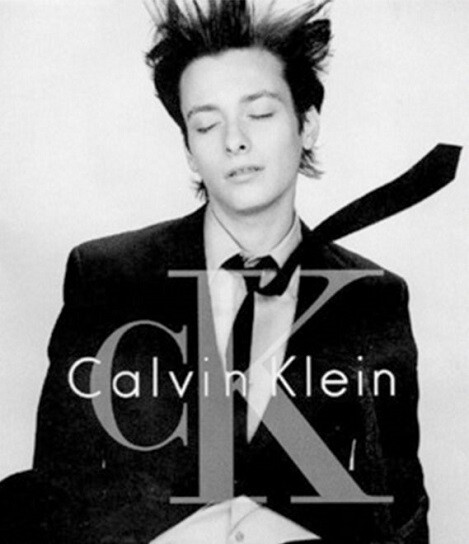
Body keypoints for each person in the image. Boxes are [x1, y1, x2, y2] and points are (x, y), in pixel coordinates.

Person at [0, 0, 429, 542]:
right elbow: (53, 501)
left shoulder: (373, 298)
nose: (234, 140)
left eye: (260, 114)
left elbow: (402, 521)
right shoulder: (106, 278)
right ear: (189, 150)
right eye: (205, 124)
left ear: (307, 125)